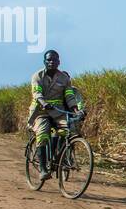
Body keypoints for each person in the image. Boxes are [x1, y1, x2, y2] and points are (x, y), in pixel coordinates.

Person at [28, 49, 84, 186]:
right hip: (41, 112)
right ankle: (42, 169)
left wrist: (76, 110)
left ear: (59, 62)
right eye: (49, 60)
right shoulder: (37, 76)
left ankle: (56, 159)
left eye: (54, 60)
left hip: (59, 112)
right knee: (42, 134)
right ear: (44, 62)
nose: (51, 62)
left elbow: (69, 96)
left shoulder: (65, 79)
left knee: (66, 131)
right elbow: (37, 93)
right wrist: (44, 103)